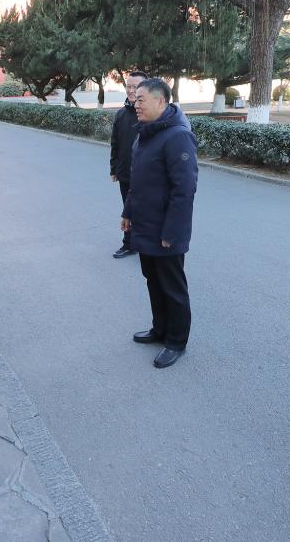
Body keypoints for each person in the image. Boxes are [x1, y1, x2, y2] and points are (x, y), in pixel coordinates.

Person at [121, 78, 198, 369]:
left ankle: (177, 341)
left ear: (161, 101)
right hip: (145, 225)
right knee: (153, 281)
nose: (135, 104)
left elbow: (184, 190)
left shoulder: (178, 136)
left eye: (141, 99)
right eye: (135, 99)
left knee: (172, 287)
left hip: (166, 230)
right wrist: (128, 212)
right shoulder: (146, 133)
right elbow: (137, 180)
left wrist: (172, 232)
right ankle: (160, 329)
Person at [111, 70, 148, 259]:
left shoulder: (150, 116)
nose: (131, 90)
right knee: (127, 209)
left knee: (145, 210)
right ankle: (129, 243)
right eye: (128, 86)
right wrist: (113, 169)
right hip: (125, 173)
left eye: (136, 87)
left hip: (146, 176)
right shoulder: (121, 114)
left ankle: (146, 242)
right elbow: (115, 143)